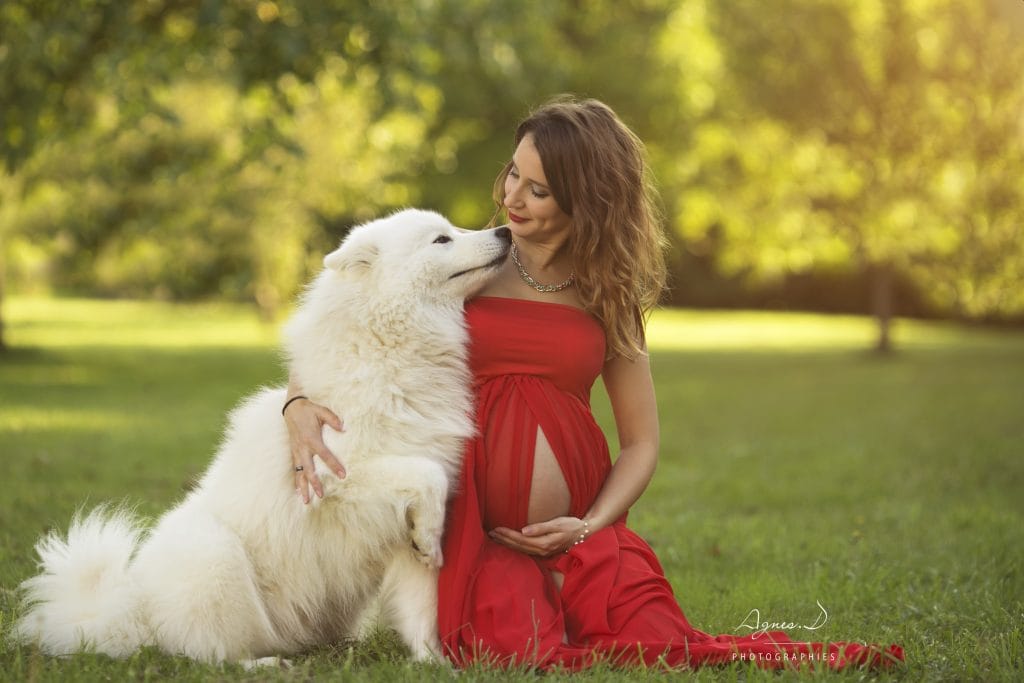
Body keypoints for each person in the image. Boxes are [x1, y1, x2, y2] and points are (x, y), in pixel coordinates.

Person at [282, 97, 904, 671]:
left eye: (539, 190)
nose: (512, 197)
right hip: (479, 538)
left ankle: (575, 578)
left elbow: (641, 443)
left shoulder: (609, 295)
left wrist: (589, 525)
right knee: (515, 648)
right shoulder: (468, 261)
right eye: (513, 174)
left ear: (587, 201)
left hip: (581, 534)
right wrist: (297, 401)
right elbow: (358, 327)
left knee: (658, 644)